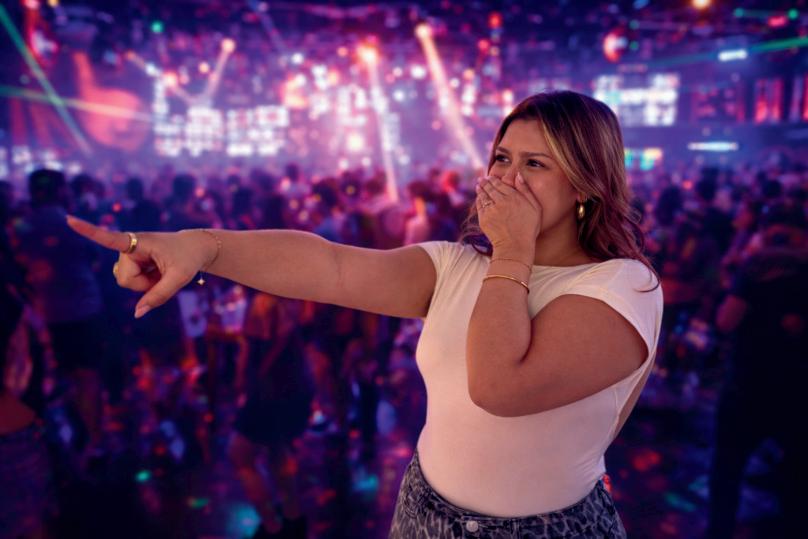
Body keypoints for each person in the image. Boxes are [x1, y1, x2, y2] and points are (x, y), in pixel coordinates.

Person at [67, 90, 663, 538]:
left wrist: (511, 250)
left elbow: (498, 387)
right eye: (502, 157)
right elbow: (328, 266)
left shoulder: (623, 286)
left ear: (585, 183)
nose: (507, 177)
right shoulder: (457, 266)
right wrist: (202, 246)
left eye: (535, 164)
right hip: (424, 512)